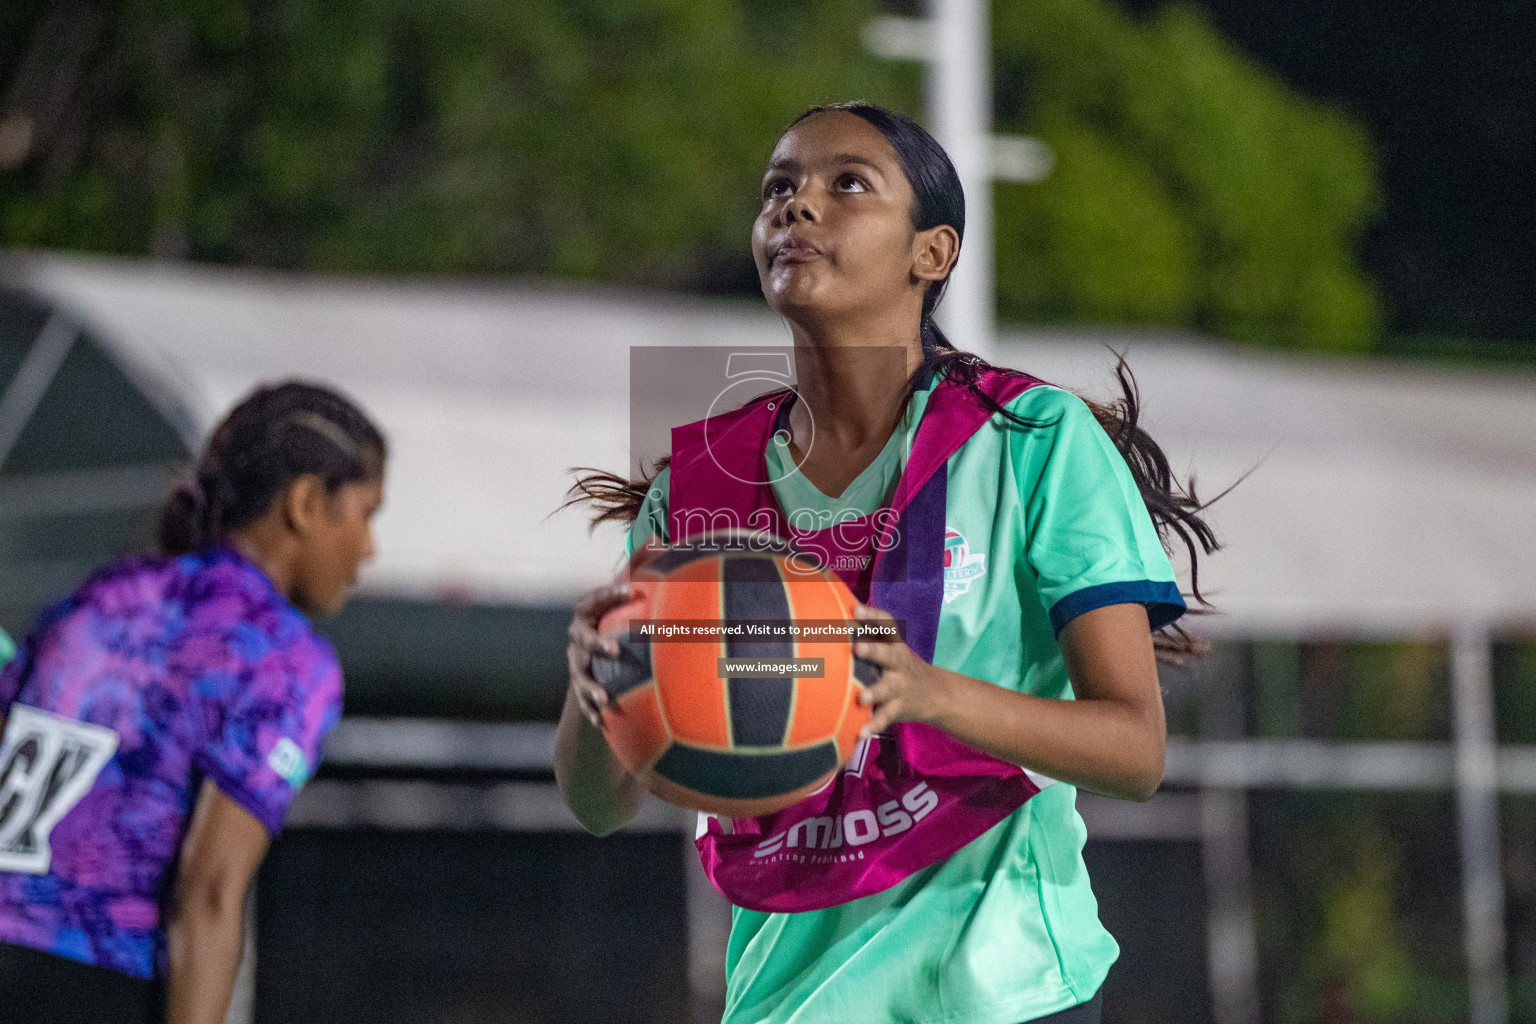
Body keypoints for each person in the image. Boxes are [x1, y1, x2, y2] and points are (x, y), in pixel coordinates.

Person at [559, 102, 1221, 1024]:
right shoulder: (700, 484)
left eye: (848, 185)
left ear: (933, 253)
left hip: (1003, 993)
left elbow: (1136, 751)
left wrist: (930, 692)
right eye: (777, 190)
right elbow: (598, 804)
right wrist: (599, 692)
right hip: (784, 1003)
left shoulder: (1033, 441)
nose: (797, 208)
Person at [0, 380, 386, 1024]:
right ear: (307, 503)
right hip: (92, 984)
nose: (369, 550)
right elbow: (206, 895)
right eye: (366, 515)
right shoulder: (284, 659)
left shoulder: (105, 596)